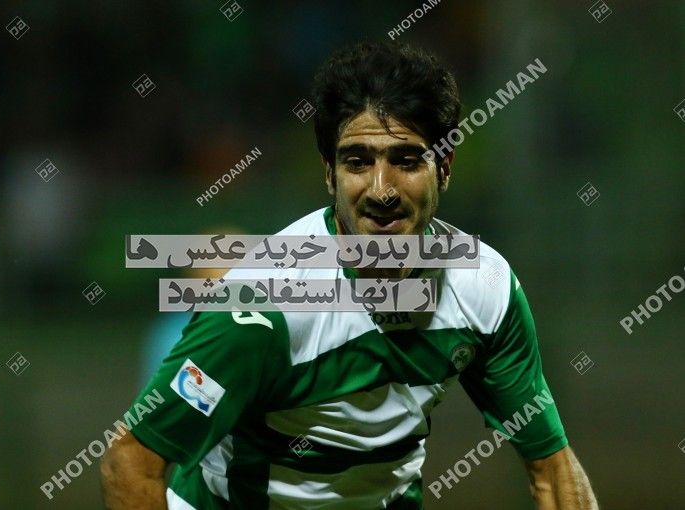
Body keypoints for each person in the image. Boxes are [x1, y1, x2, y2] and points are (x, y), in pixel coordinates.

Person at [101, 41, 599, 509]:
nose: (381, 190)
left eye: (407, 160)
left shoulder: (486, 287)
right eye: (358, 162)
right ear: (329, 173)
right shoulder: (261, 306)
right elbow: (129, 461)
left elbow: (552, 469)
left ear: (444, 167)